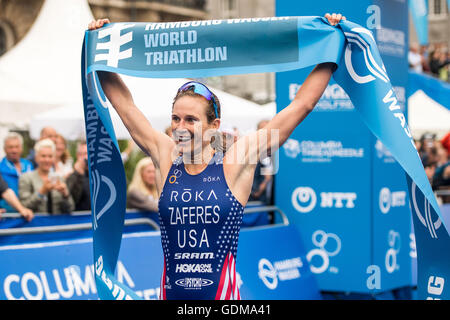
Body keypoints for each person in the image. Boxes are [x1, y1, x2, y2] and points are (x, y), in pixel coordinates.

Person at [88, 12, 345, 300]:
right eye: (176, 118)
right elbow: (126, 108)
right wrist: (102, 49)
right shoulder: (166, 156)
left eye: (191, 120)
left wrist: (329, 49)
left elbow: (301, 105)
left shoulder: (236, 161)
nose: (180, 128)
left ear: (214, 126)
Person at [19, 139, 75, 214]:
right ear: (36, 158)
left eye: (50, 156)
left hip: (57, 223)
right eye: (43, 156)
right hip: (37, 224)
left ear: (54, 158)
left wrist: (65, 194)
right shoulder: (26, 178)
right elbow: (24, 206)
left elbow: (71, 208)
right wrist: (41, 192)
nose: (47, 160)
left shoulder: (59, 178)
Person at [0, 132, 34, 212]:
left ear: (21, 148)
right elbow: (4, 191)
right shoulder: (1, 167)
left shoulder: (28, 165)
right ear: (4, 149)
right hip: (8, 214)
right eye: (10, 147)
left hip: (28, 212)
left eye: (17, 147)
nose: (14, 150)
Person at [249, 120, 274, 205]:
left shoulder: (275, 151)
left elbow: (268, 176)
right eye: (262, 129)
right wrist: (257, 190)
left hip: (271, 199)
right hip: (255, 200)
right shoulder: (252, 150)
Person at [66, 141, 91, 211]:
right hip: (80, 218)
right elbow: (73, 199)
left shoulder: (97, 175)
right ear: (77, 155)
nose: (84, 157)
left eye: (86, 153)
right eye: (80, 154)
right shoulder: (72, 176)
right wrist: (78, 174)